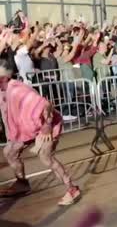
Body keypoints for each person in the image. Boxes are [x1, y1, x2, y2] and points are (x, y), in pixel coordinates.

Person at [0, 60, 80, 205]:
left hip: (45, 125)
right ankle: (22, 184)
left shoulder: (17, 90)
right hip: (26, 129)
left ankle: (72, 189)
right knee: (9, 152)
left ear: (4, 78)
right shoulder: (3, 89)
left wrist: (47, 126)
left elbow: (46, 104)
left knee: (45, 157)